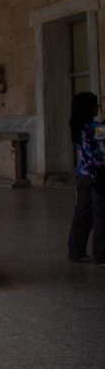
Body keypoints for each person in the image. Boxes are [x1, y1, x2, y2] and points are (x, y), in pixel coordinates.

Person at [67, 92, 105, 266]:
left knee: (83, 213)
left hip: (83, 174)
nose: (98, 107)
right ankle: (101, 256)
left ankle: (76, 251)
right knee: (101, 216)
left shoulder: (77, 126)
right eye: (95, 104)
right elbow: (99, 153)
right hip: (98, 176)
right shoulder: (95, 127)